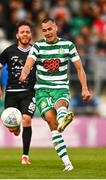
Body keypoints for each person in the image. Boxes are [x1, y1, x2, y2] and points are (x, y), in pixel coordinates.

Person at [20, 18, 91, 171]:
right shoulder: (38, 46)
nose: (47, 33)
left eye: (49, 29)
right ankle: (67, 162)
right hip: (42, 90)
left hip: (61, 87)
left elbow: (79, 68)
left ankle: (63, 118)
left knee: (60, 105)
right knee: (53, 124)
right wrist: (24, 74)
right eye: (44, 30)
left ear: (56, 28)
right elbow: (28, 64)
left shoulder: (68, 45)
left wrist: (85, 88)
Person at [0, 21, 36, 165]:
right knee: (14, 128)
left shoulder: (36, 51)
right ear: (17, 35)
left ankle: (25, 156)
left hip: (29, 93)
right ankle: (15, 127)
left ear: (31, 35)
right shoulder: (9, 51)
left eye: (27, 32)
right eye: (22, 32)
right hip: (11, 93)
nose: (25, 34)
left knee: (27, 119)